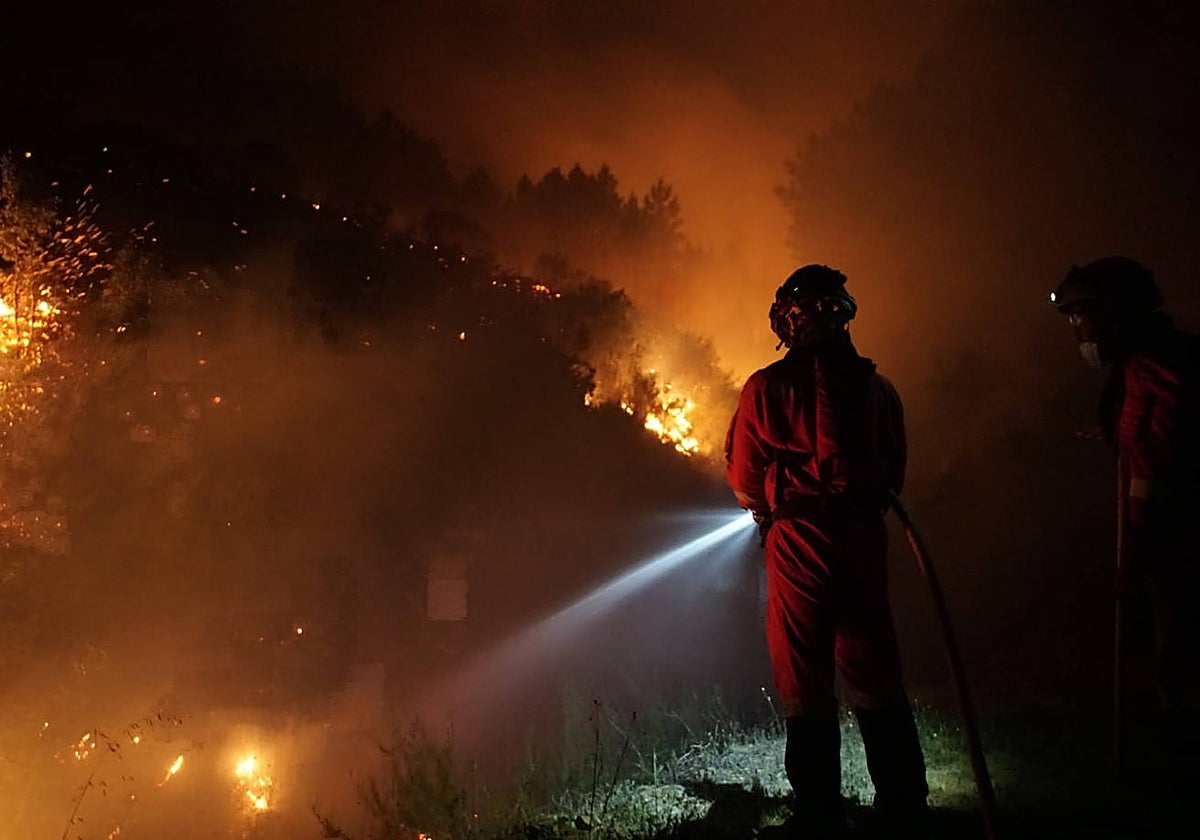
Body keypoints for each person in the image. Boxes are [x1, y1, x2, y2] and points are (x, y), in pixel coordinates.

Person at [725, 265, 928, 838]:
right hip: (863, 537)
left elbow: (743, 480)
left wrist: (767, 514)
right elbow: (894, 475)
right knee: (874, 666)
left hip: (797, 540)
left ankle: (818, 813)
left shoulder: (766, 388)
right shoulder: (880, 391)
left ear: (791, 320)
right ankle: (904, 800)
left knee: (803, 674)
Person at [1050, 255, 1200, 795]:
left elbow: (1152, 472)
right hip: (1173, 535)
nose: (1074, 328)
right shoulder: (1166, 355)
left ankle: (1183, 783)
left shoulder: (1150, 367)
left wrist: (1131, 558)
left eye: (1079, 315)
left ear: (1112, 314)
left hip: (1179, 539)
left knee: (1181, 658)